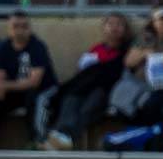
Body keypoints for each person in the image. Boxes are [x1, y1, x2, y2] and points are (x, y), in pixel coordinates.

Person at [43, 12, 131, 151]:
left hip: (105, 91)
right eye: (110, 24)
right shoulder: (96, 50)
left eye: (119, 25)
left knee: (91, 104)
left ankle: (66, 137)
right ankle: (59, 134)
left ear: (126, 30)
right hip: (84, 88)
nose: (114, 28)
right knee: (71, 99)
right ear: (104, 28)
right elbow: (82, 73)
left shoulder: (128, 51)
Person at [0, 10, 58, 150]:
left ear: (30, 28)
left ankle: (35, 140)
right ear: (8, 29)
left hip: (43, 89)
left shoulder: (37, 47)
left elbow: (35, 82)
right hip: (16, 90)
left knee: (33, 98)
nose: (20, 30)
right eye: (16, 26)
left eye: (24, 26)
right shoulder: (2, 48)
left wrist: (4, 85)